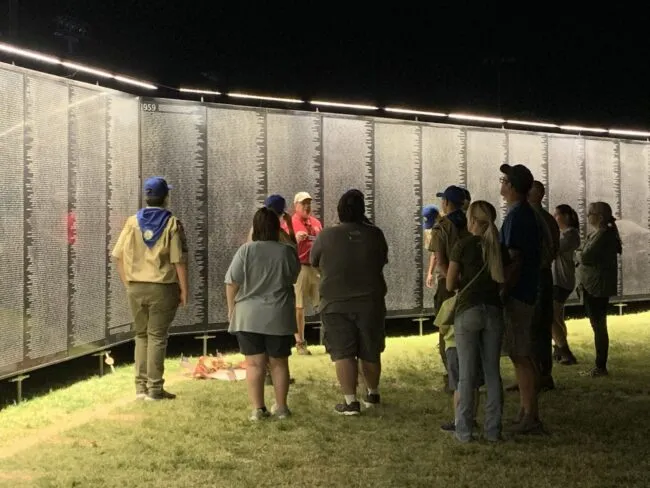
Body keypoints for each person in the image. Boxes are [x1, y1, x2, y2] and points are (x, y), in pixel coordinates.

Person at [311, 189, 388, 415]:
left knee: (343, 353)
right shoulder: (375, 234)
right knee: (370, 351)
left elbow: (314, 262)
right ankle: (373, 394)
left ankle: (350, 402)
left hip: (336, 304)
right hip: (370, 302)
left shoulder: (326, 235)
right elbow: (382, 260)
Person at [112, 176, 188, 401]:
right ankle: (155, 389)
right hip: (162, 287)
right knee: (157, 336)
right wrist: (184, 289)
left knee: (141, 335)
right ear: (165, 197)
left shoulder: (132, 222)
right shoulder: (172, 223)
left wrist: (128, 282)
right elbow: (178, 261)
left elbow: (117, 256)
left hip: (135, 287)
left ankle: (140, 388)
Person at [225, 207, 300, 420]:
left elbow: (231, 282)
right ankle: (282, 407)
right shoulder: (286, 252)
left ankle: (258, 409)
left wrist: (232, 309)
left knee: (254, 364)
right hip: (279, 315)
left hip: (248, 317)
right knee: (279, 363)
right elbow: (293, 277)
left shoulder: (246, 251)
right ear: (277, 228)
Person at [446, 200, 508, 442]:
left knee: (467, 374)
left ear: (471, 219)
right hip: (493, 310)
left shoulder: (462, 245)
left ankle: (463, 431)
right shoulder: (498, 247)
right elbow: (502, 280)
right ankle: (494, 430)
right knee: (493, 373)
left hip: (467, 311)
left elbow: (450, 284)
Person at [499, 164, 543, 434]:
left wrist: (503, 290)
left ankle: (530, 415)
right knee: (520, 354)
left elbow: (515, 259)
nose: (501, 184)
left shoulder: (518, 216)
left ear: (512, 187)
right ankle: (526, 412)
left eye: (503, 180)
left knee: (521, 354)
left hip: (518, 293)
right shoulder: (522, 213)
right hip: (524, 291)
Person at [246, 194, 297, 386]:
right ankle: (271, 374)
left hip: (255, 293)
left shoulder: (255, 230)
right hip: (274, 293)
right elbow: (293, 251)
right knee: (275, 347)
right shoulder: (277, 233)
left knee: (261, 340)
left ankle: (267, 373)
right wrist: (290, 226)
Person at [427, 186, 471, 392]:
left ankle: (452, 379)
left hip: (449, 284)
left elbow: (442, 260)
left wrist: (453, 283)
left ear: (446, 203)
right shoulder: (471, 223)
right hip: (470, 283)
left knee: (446, 331)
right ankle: (469, 373)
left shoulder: (442, 227)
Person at [576, 202, 622, 377]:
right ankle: (599, 365)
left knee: (599, 325)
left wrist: (578, 254)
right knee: (597, 324)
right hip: (593, 285)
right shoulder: (599, 234)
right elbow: (582, 252)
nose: (587, 217)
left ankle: (600, 366)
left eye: (590, 213)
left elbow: (585, 255)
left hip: (597, 286)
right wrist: (579, 253)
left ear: (600, 217)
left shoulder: (603, 235)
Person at [528, 181, 560, 391]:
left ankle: (539, 375)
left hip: (536, 276)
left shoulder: (536, 218)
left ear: (536, 194)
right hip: (542, 275)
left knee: (536, 326)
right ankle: (537, 374)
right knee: (538, 326)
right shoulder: (547, 218)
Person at [282, 191, 323, 355]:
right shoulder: (289, 224)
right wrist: (294, 239)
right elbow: (281, 245)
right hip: (299, 267)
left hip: (316, 267)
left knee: (324, 303)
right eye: (303, 203)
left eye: (309, 203)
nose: (307, 206)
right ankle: (300, 342)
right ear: (296, 206)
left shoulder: (316, 222)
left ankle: (330, 340)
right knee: (298, 306)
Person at [551, 204, 581, 365]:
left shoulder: (570, 235)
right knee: (557, 317)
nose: (554, 217)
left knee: (550, 316)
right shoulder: (566, 234)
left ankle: (565, 351)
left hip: (561, 281)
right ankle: (559, 349)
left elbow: (553, 248)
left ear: (566, 216)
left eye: (557, 215)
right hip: (561, 280)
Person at [423, 204, 441, 293]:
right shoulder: (429, 231)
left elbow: (435, 254)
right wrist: (430, 273)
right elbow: (434, 253)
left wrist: (430, 273)